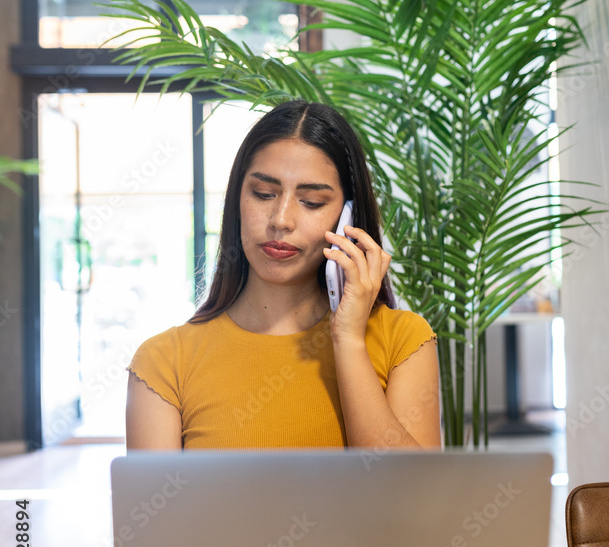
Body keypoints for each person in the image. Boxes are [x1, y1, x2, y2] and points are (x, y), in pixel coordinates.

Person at [125, 98, 442, 451]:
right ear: (237, 200)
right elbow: (159, 506)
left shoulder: (403, 341)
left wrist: (349, 341)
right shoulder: (164, 362)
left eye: (311, 202)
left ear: (347, 219)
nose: (280, 219)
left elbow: (415, 498)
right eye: (263, 194)